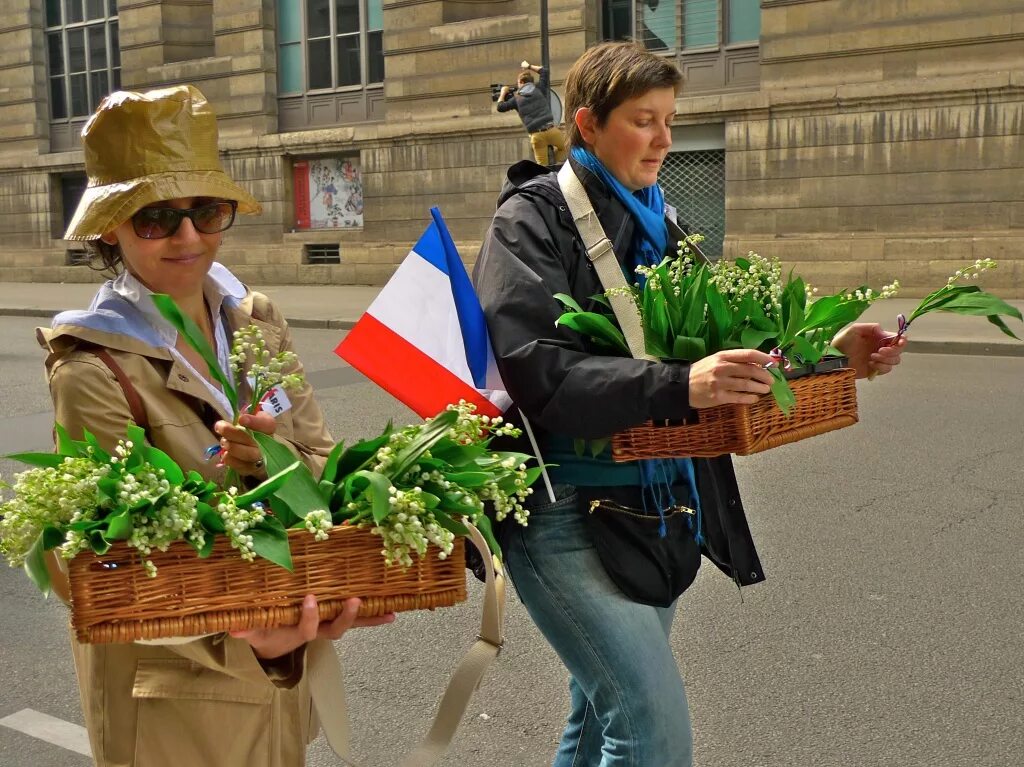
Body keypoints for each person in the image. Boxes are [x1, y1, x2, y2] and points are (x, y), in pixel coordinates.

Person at [473, 42, 905, 767]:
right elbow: (537, 374)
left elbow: (727, 341)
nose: (666, 139)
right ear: (586, 122)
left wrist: (834, 353)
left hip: (658, 503)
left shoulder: (660, 221)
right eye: (645, 120)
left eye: (670, 119)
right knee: (649, 726)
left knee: (598, 715)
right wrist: (681, 386)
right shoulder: (531, 220)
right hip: (563, 510)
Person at [38, 84, 393, 767]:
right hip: (173, 700)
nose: (190, 237)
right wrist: (246, 635)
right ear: (110, 226)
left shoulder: (253, 318)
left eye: (206, 210)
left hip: (279, 667)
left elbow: (317, 458)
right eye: (156, 219)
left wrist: (273, 461)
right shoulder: (92, 365)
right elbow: (98, 561)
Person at [497, 60, 568, 166]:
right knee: (567, 148)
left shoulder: (516, 99)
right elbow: (544, 71)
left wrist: (503, 92)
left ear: (521, 82)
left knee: (542, 167)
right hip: (551, 130)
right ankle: (554, 159)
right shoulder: (539, 88)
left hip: (537, 136)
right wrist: (528, 66)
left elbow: (500, 107)